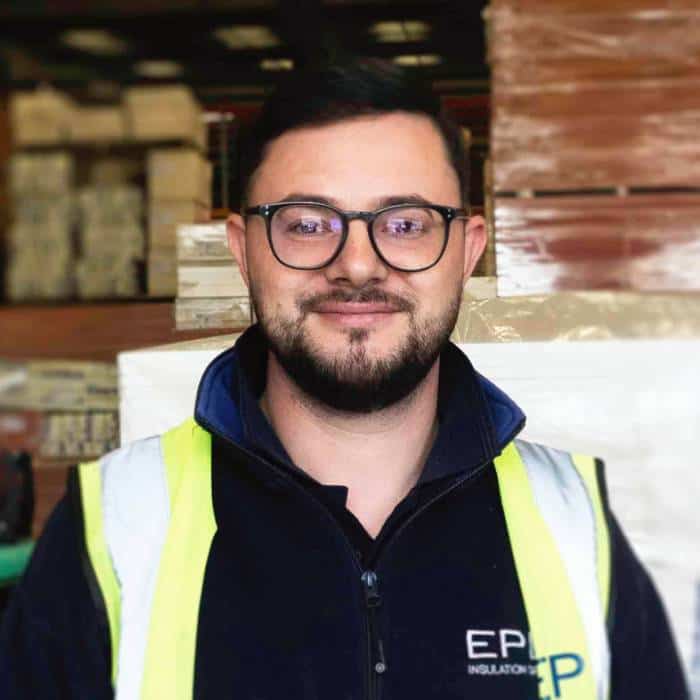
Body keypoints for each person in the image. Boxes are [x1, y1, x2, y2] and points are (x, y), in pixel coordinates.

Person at [0, 57, 689, 700]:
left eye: (407, 222)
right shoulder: (112, 533)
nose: (357, 264)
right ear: (242, 252)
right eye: (305, 223)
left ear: (468, 252)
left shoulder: (576, 528)